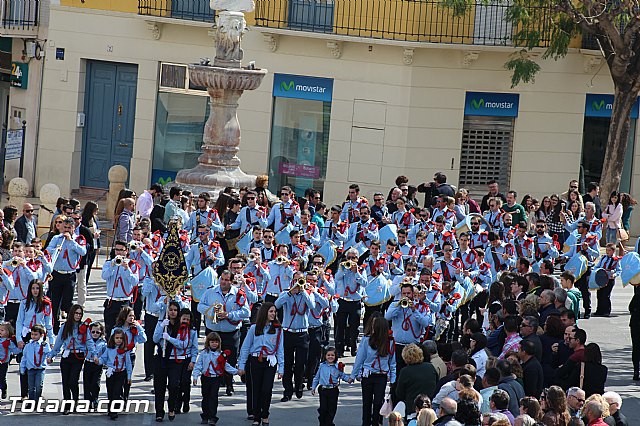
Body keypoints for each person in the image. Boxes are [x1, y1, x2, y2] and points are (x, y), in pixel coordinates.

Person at [238, 302, 284, 426]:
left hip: (269, 362)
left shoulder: (278, 329)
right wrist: (241, 365)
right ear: (264, 312)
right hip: (255, 361)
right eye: (271, 311)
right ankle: (256, 416)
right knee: (256, 389)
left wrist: (281, 368)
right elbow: (245, 347)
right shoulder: (254, 328)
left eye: (274, 311)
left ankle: (265, 414)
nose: (273, 314)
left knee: (266, 389)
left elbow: (280, 349)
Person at [47, 304, 96, 412]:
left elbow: (89, 342)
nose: (78, 316)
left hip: (78, 356)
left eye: (80, 314)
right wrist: (51, 356)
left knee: (73, 380)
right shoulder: (65, 327)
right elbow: (58, 343)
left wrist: (94, 355)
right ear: (72, 313)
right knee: (65, 381)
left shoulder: (84, 327)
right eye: (76, 313)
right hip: (67, 356)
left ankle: (75, 400)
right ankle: (67, 404)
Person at [351, 315, 396, 426]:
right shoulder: (366, 340)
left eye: (374, 325)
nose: (372, 327)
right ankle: (365, 423)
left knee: (377, 402)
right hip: (368, 375)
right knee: (367, 402)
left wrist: (393, 379)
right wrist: (353, 375)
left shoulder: (389, 342)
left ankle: (376, 422)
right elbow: (359, 359)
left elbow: (392, 362)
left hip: (381, 376)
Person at [192, 332, 239, 426]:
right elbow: (198, 365)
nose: (214, 344)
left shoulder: (221, 354)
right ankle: (205, 415)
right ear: (208, 343)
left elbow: (226, 366)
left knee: (213, 397)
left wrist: (237, 371)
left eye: (216, 342)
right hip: (206, 378)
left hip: (216, 378)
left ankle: (213, 417)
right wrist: (195, 376)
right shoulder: (203, 353)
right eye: (212, 342)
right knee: (205, 397)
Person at [98, 328, 132, 420]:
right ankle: (110, 409)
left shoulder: (125, 351)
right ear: (113, 338)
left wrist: (129, 376)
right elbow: (104, 358)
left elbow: (128, 364)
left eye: (121, 338)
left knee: (117, 392)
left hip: (121, 373)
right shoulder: (109, 349)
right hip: (111, 372)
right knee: (110, 391)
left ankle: (114, 411)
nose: (119, 340)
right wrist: (98, 361)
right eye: (117, 338)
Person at [396, 343, 439, 415]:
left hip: (412, 408)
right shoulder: (430, 367)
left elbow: (399, 393)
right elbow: (437, 384)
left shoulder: (405, 371)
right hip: (429, 406)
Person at [311, 346, 348, 426]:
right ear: (325, 356)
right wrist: (313, 387)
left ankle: (328, 423)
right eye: (328, 355)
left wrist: (349, 379)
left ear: (335, 356)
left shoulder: (338, 367)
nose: (330, 357)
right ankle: (323, 420)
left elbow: (342, 375)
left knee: (332, 408)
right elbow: (317, 377)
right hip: (323, 389)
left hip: (333, 390)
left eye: (332, 355)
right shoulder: (322, 366)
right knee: (323, 408)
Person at [19, 324, 50, 401]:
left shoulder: (44, 345)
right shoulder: (28, 345)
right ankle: (31, 401)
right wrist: (22, 368)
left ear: (41, 335)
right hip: (30, 369)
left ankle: (37, 400)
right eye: (32, 334)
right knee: (31, 387)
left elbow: (49, 354)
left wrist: (50, 357)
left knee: (39, 386)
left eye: (36, 334)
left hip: (40, 369)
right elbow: (24, 357)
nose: (33, 336)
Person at [84, 322, 107, 410]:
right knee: (87, 383)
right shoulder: (87, 341)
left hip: (98, 364)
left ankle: (95, 399)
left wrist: (103, 362)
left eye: (97, 332)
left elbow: (105, 354)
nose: (95, 334)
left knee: (95, 383)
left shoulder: (103, 342)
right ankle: (87, 401)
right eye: (93, 332)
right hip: (88, 362)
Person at [0, 321, 21, 400]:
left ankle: (3, 389)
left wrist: (20, 348)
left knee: (2, 377)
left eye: (2, 330)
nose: (0, 332)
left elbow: (15, 351)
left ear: (8, 332)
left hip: (4, 362)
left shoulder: (9, 342)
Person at [629, 285, 640, 380]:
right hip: (635, 323)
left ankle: (636, 370)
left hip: (636, 323)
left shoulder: (637, 295)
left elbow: (631, 307)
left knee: (636, 348)